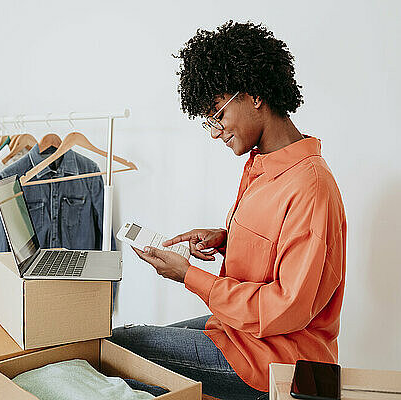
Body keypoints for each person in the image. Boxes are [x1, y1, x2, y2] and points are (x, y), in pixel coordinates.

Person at [110, 21, 347, 400]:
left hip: (277, 358)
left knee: (118, 347)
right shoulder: (261, 165)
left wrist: (189, 276)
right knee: (123, 355)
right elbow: (275, 251)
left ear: (253, 95)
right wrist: (227, 240)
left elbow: (285, 308)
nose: (214, 132)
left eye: (217, 115)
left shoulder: (309, 187)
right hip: (239, 332)